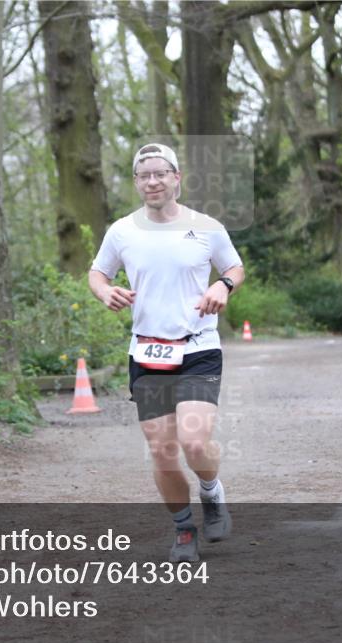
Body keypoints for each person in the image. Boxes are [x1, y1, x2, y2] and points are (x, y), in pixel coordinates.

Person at [88, 143, 245, 563]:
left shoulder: (206, 226)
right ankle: (183, 531)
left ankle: (211, 492)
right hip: (147, 352)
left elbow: (233, 267)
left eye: (161, 173)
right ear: (137, 182)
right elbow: (97, 271)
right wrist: (105, 291)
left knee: (195, 443)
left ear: (177, 178)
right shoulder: (122, 231)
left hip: (197, 347)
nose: (153, 181)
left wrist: (222, 286)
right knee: (161, 450)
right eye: (144, 175)